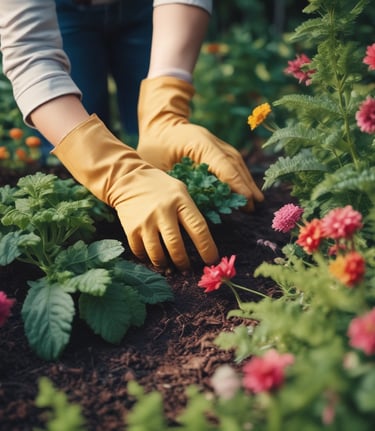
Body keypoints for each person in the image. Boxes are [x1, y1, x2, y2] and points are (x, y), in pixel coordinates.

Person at [0, 0, 264, 273]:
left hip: (149, 7)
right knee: (72, 151)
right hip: (60, 10)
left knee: (156, 143)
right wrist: (118, 175)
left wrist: (165, 113)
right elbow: (30, 53)